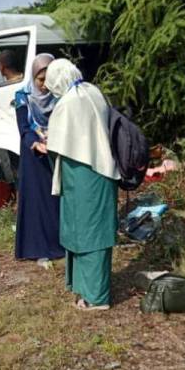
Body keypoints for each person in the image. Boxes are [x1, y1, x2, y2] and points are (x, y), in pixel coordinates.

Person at [45, 59, 121, 310]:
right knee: (91, 231)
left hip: (81, 176)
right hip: (100, 171)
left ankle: (95, 297)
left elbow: (55, 147)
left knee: (87, 235)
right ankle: (86, 287)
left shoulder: (67, 103)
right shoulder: (92, 91)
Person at [14, 53, 65, 261]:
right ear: (33, 76)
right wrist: (35, 143)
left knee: (56, 199)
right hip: (34, 154)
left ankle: (61, 243)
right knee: (37, 200)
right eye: (40, 80)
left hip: (56, 150)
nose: (44, 85)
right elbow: (24, 128)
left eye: (48, 80)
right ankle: (37, 248)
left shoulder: (60, 96)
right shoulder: (22, 96)